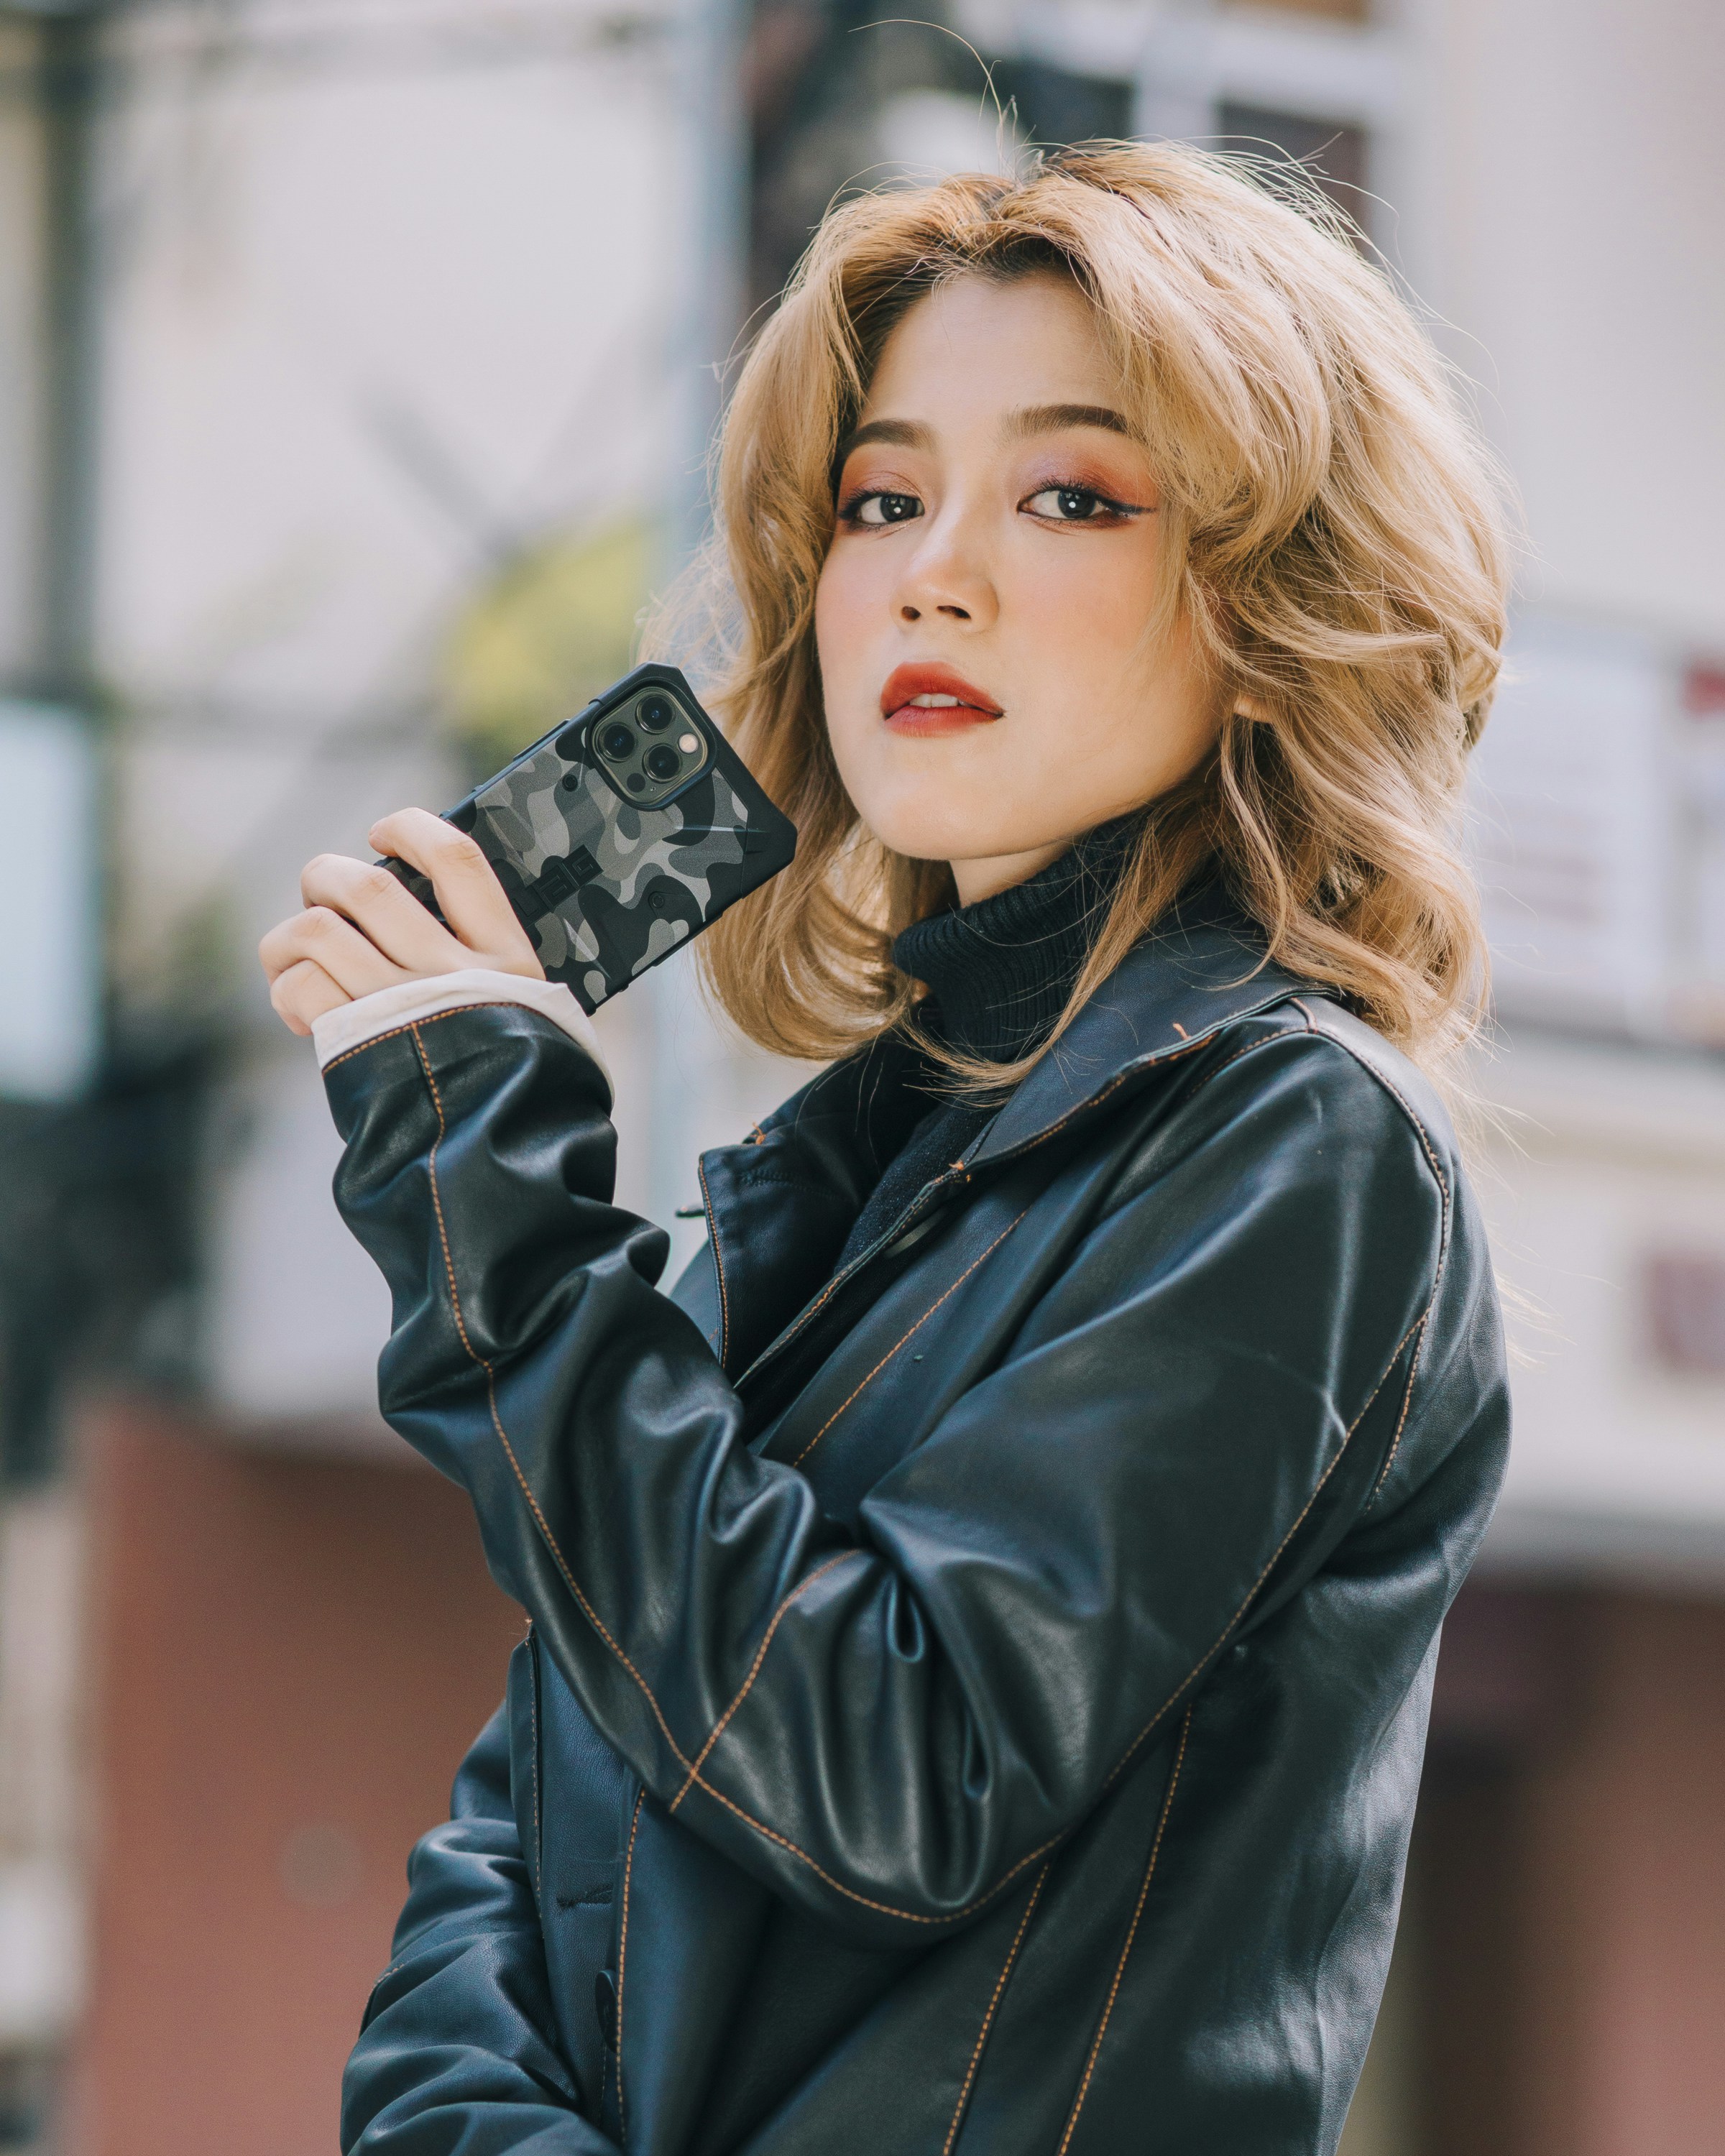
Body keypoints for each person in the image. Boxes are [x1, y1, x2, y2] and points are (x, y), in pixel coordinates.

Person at [260, 144, 1511, 2156]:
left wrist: (485, 1184)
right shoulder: (827, 1200)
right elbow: (503, 1889)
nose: (933, 570)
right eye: (881, 497)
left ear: (1277, 600)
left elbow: (886, 1776)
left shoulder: (1301, 1140)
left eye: (1074, 494)